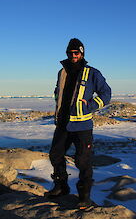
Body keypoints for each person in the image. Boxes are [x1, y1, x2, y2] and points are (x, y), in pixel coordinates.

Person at [44, 38, 111, 208]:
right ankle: (61, 187)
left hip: (82, 125)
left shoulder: (92, 73)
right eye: (70, 53)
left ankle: (84, 196)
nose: (73, 55)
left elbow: (106, 93)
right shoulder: (62, 72)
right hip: (63, 124)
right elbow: (58, 93)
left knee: (82, 161)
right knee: (55, 155)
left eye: (76, 52)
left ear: (82, 53)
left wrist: (92, 105)